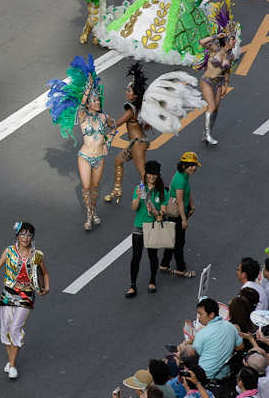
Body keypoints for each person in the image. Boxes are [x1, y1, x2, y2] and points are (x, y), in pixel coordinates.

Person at [46, 55, 117, 230]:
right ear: (88, 104)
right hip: (85, 157)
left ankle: (93, 212)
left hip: (99, 157)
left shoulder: (104, 117)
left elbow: (115, 127)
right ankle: (90, 215)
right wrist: (88, 89)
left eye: (98, 100)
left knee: (95, 187)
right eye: (94, 100)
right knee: (85, 186)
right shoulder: (83, 117)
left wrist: (107, 145)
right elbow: (82, 104)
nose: (97, 102)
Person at [0, 222, 49, 379]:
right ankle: (11, 360)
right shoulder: (9, 251)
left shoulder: (37, 255)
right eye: (23, 234)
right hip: (8, 294)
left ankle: (12, 365)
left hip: (26, 296)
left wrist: (45, 287)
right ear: (17, 235)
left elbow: (44, 273)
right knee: (5, 329)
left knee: (15, 330)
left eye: (28, 235)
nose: (25, 238)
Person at [185, 298, 244, 398]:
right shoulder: (231, 327)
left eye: (200, 313)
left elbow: (193, 357)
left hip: (205, 376)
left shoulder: (202, 334)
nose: (198, 317)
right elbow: (240, 347)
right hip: (224, 371)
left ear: (211, 315)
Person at [195, 0, 239, 146]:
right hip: (207, 81)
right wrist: (216, 36)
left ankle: (206, 133)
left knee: (216, 110)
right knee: (211, 107)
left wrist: (226, 85)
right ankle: (207, 135)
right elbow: (201, 42)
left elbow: (227, 71)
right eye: (233, 38)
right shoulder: (215, 48)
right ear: (226, 39)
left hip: (219, 83)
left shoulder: (230, 55)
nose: (235, 41)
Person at [105, 62, 150, 203]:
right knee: (118, 161)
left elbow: (115, 124)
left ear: (135, 96)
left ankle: (148, 200)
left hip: (138, 144)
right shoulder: (140, 107)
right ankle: (117, 190)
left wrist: (102, 118)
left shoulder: (130, 109)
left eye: (129, 91)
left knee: (144, 173)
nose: (126, 92)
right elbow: (147, 126)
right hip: (135, 143)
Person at [126, 160, 167, 298]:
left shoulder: (161, 192)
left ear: (158, 175)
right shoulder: (139, 188)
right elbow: (133, 208)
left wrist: (154, 212)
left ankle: (152, 281)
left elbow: (163, 212)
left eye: (155, 174)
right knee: (136, 256)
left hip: (153, 227)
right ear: (146, 174)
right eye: (150, 174)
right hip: (139, 226)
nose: (152, 177)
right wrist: (137, 196)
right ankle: (132, 285)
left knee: (152, 255)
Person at [159, 152, 199, 278]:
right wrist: (184, 220)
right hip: (176, 215)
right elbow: (180, 200)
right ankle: (181, 268)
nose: (193, 168)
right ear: (183, 166)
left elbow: (188, 192)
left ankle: (165, 264)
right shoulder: (180, 179)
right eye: (190, 166)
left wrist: (192, 205)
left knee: (172, 239)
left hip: (180, 212)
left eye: (194, 165)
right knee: (179, 242)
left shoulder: (183, 175)